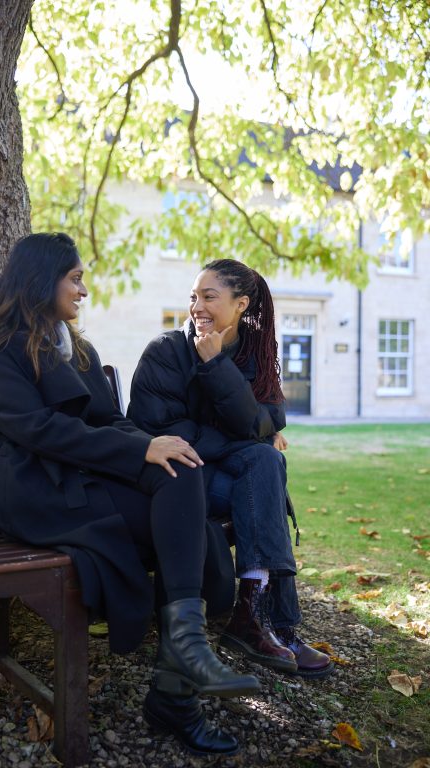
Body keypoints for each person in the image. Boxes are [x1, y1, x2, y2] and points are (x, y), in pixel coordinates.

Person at [0, 234, 261, 758]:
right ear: (42, 280)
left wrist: (152, 445)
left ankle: (182, 666)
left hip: (88, 475)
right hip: (36, 487)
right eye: (75, 278)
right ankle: (179, 689)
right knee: (183, 516)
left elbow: (107, 421)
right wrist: (137, 451)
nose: (83, 290)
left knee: (181, 468)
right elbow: (36, 430)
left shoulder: (77, 349)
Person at [128, 258, 333, 679]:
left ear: (241, 304)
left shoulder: (255, 352)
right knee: (263, 464)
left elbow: (269, 419)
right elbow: (165, 431)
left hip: (234, 471)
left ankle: (258, 618)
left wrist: (221, 371)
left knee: (266, 460)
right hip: (181, 477)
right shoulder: (166, 352)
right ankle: (272, 622)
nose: (197, 306)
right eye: (193, 297)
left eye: (209, 297)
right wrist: (242, 425)